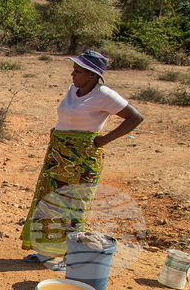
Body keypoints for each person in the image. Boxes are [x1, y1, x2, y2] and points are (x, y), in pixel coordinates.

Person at [21, 50, 144, 261]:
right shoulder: (73, 90)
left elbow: (135, 117)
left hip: (82, 160)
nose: (73, 74)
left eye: (78, 71)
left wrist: (104, 140)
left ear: (92, 75)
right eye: (73, 70)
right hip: (59, 155)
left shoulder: (104, 95)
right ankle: (48, 252)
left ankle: (69, 257)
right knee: (51, 202)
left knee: (74, 206)